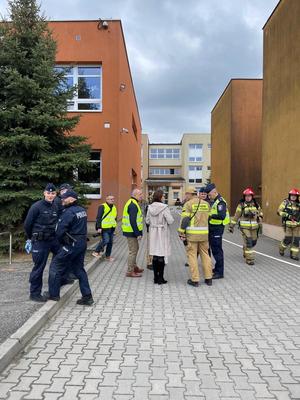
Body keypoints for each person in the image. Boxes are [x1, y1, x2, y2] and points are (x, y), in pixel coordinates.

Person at [47, 190, 94, 305]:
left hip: (71, 244)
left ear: (72, 199)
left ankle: (53, 295)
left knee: (55, 266)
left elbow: (59, 231)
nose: (62, 200)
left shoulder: (68, 212)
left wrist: (59, 243)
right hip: (81, 243)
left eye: (65, 198)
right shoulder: (82, 210)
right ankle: (87, 297)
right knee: (79, 269)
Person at [24, 183, 60, 302]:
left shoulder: (55, 205)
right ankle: (34, 293)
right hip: (40, 242)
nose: (50, 195)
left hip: (52, 240)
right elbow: (27, 224)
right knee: (39, 267)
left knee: (62, 258)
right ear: (44, 193)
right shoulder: (36, 206)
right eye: (48, 193)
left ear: (56, 194)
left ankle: (55, 288)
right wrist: (31, 238)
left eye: (53, 193)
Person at [178, 187, 212, 287]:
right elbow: (208, 218)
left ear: (190, 194)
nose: (185, 196)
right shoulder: (206, 204)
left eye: (186, 194)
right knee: (206, 256)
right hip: (204, 235)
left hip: (192, 235)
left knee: (192, 256)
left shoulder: (188, 204)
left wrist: (181, 232)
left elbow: (184, 220)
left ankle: (195, 280)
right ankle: (208, 278)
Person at [146, 189, 174, 284]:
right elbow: (170, 220)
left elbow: (147, 221)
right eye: (163, 196)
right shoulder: (164, 207)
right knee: (161, 255)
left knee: (154, 255)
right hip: (162, 232)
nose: (164, 197)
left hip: (153, 232)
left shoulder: (149, 207)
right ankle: (160, 278)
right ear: (160, 197)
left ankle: (155, 277)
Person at [228, 188, 263, 265]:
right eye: (246, 196)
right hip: (245, 228)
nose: (248, 197)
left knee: (254, 242)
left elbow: (260, 213)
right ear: (244, 197)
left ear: (252, 196)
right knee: (249, 242)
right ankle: (250, 259)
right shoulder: (241, 205)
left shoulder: (256, 205)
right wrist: (231, 226)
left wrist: (259, 218)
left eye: (249, 196)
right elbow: (236, 216)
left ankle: (245, 248)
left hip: (254, 228)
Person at [205, 183, 230, 279]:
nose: (209, 196)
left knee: (217, 251)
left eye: (210, 194)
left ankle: (220, 273)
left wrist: (210, 216)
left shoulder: (220, 202)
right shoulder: (215, 201)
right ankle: (217, 269)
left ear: (214, 192)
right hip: (213, 228)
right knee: (215, 249)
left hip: (217, 229)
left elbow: (221, 215)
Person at [122, 189, 145, 277]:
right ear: (135, 195)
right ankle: (130, 271)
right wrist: (138, 234)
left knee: (135, 249)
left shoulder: (133, 202)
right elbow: (133, 221)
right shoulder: (133, 205)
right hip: (131, 232)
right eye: (140, 194)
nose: (141, 196)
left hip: (131, 231)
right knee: (133, 251)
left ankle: (134, 267)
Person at [92, 195, 117, 261]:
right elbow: (99, 217)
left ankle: (107, 256)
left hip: (111, 228)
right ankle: (96, 252)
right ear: (106, 199)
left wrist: (114, 228)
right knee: (106, 240)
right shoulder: (102, 206)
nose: (112, 200)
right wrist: (99, 227)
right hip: (104, 227)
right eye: (110, 199)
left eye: (113, 199)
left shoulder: (114, 207)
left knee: (110, 243)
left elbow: (114, 218)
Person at [277, 188, 300, 261]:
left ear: (297, 197)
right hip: (288, 225)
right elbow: (279, 212)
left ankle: (294, 255)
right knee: (288, 239)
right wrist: (287, 215)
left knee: (296, 240)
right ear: (289, 195)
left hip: (297, 225)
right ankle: (281, 248)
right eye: (292, 195)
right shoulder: (285, 203)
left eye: (295, 196)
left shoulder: (298, 204)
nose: (293, 197)